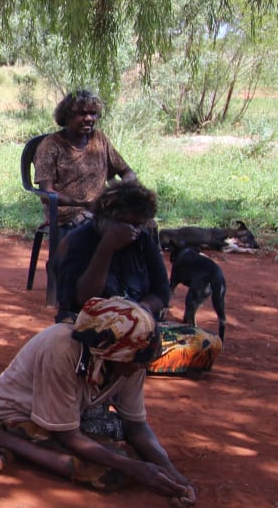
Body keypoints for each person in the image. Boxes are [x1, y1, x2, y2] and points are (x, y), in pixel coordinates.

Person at [0, 297, 197, 508]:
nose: (140, 369)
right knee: (110, 472)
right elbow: (69, 435)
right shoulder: (62, 348)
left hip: (67, 412)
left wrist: (173, 474)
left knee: (124, 442)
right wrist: (138, 469)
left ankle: (13, 449)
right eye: (135, 363)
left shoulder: (131, 359)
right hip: (17, 412)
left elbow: (135, 425)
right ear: (112, 352)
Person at [53, 180, 221, 375]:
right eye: (125, 223)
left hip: (137, 329)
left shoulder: (142, 241)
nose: (132, 230)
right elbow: (82, 299)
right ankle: (118, 363)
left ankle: (126, 362)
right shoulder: (77, 241)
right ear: (105, 216)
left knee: (207, 343)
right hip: (91, 329)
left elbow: (161, 293)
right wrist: (106, 248)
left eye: (138, 225)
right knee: (66, 342)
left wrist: (138, 313)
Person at [34, 90, 135, 229]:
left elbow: (128, 172)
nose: (89, 118)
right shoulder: (50, 145)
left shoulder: (99, 139)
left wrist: (121, 190)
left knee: (145, 224)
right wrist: (83, 204)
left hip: (102, 208)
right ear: (67, 116)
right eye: (82, 114)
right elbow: (46, 194)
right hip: (69, 213)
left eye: (93, 113)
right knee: (115, 229)